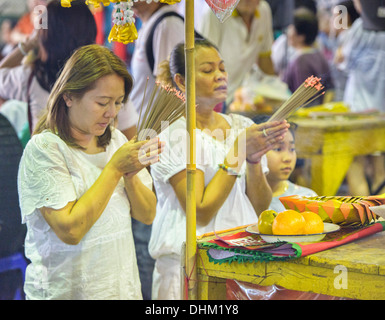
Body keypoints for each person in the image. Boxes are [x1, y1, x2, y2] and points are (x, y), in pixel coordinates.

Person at [17, 44, 164, 300]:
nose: (112, 113)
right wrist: (116, 168)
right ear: (69, 96)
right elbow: (70, 230)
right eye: (102, 102)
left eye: (118, 103)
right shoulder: (45, 149)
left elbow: (148, 214)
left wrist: (129, 174)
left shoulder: (116, 141)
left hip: (120, 289)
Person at [150, 39, 289, 300]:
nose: (219, 76)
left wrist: (254, 160)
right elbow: (200, 212)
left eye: (222, 69)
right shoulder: (176, 134)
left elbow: (260, 206)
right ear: (181, 81)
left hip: (241, 259)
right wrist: (238, 152)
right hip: (191, 265)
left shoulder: (241, 124)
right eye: (207, 70)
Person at [0, 1, 137, 140]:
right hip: (103, 162)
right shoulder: (110, 78)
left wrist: (28, 44)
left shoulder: (32, 76)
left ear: (45, 35)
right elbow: (131, 139)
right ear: (91, 30)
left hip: (45, 160)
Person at [129, 1, 186, 300]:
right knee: (142, 240)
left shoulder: (167, 23)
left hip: (156, 147)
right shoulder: (149, 24)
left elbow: (171, 90)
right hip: (143, 145)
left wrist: (154, 144)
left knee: (147, 237)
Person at [338, 0, 385, 195]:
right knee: (379, 166)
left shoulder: (358, 28)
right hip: (381, 110)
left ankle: (365, 220)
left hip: (357, 110)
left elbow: (342, 61)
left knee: (355, 163)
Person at [197, 0, 275, 106]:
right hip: (215, 98)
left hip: (240, 98)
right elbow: (202, 61)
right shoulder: (214, 12)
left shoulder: (264, 10)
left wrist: (276, 89)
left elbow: (265, 58)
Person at [259, 118, 317, 212]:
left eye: (292, 149)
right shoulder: (239, 199)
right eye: (278, 149)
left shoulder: (306, 199)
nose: (288, 158)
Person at [282, 8, 334, 105]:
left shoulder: (301, 61)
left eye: (291, 27)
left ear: (301, 36)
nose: (288, 30)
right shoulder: (319, 55)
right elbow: (330, 88)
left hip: (302, 116)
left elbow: (302, 100)